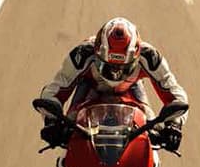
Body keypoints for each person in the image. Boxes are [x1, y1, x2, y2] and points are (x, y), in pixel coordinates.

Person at [38, 18, 187, 158]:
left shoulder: (150, 57)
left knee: (152, 135)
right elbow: (53, 90)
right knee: (69, 139)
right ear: (96, 51)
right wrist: (51, 121)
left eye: (123, 68)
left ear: (136, 56)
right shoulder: (81, 54)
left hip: (130, 88)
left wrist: (174, 125)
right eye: (107, 66)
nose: (115, 74)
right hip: (91, 86)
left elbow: (176, 93)